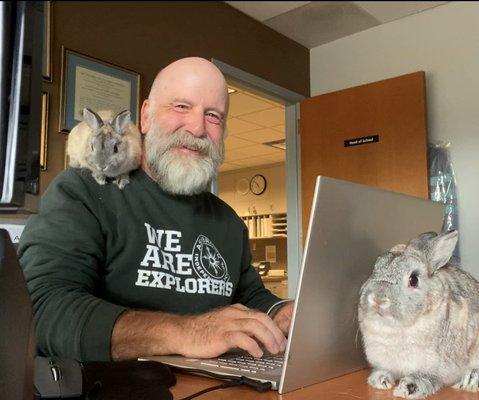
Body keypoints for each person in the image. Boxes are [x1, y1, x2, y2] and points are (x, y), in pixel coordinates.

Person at [19, 57, 293, 362]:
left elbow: (251, 297)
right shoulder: (82, 191)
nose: (197, 127)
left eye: (213, 116)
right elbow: (40, 308)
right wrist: (188, 333)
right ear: (146, 116)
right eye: (181, 107)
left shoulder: (228, 221)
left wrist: (280, 313)